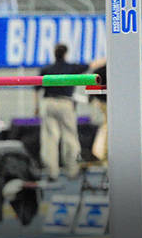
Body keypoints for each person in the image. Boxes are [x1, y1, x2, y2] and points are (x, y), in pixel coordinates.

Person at [35, 44, 106, 180]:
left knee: (50, 138)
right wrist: (106, 59)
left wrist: (36, 107)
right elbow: (92, 65)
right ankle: (72, 171)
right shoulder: (71, 67)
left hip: (48, 103)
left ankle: (52, 172)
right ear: (66, 54)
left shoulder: (47, 69)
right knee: (70, 137)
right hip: (65, 103)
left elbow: (36, 89)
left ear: (54, 54)